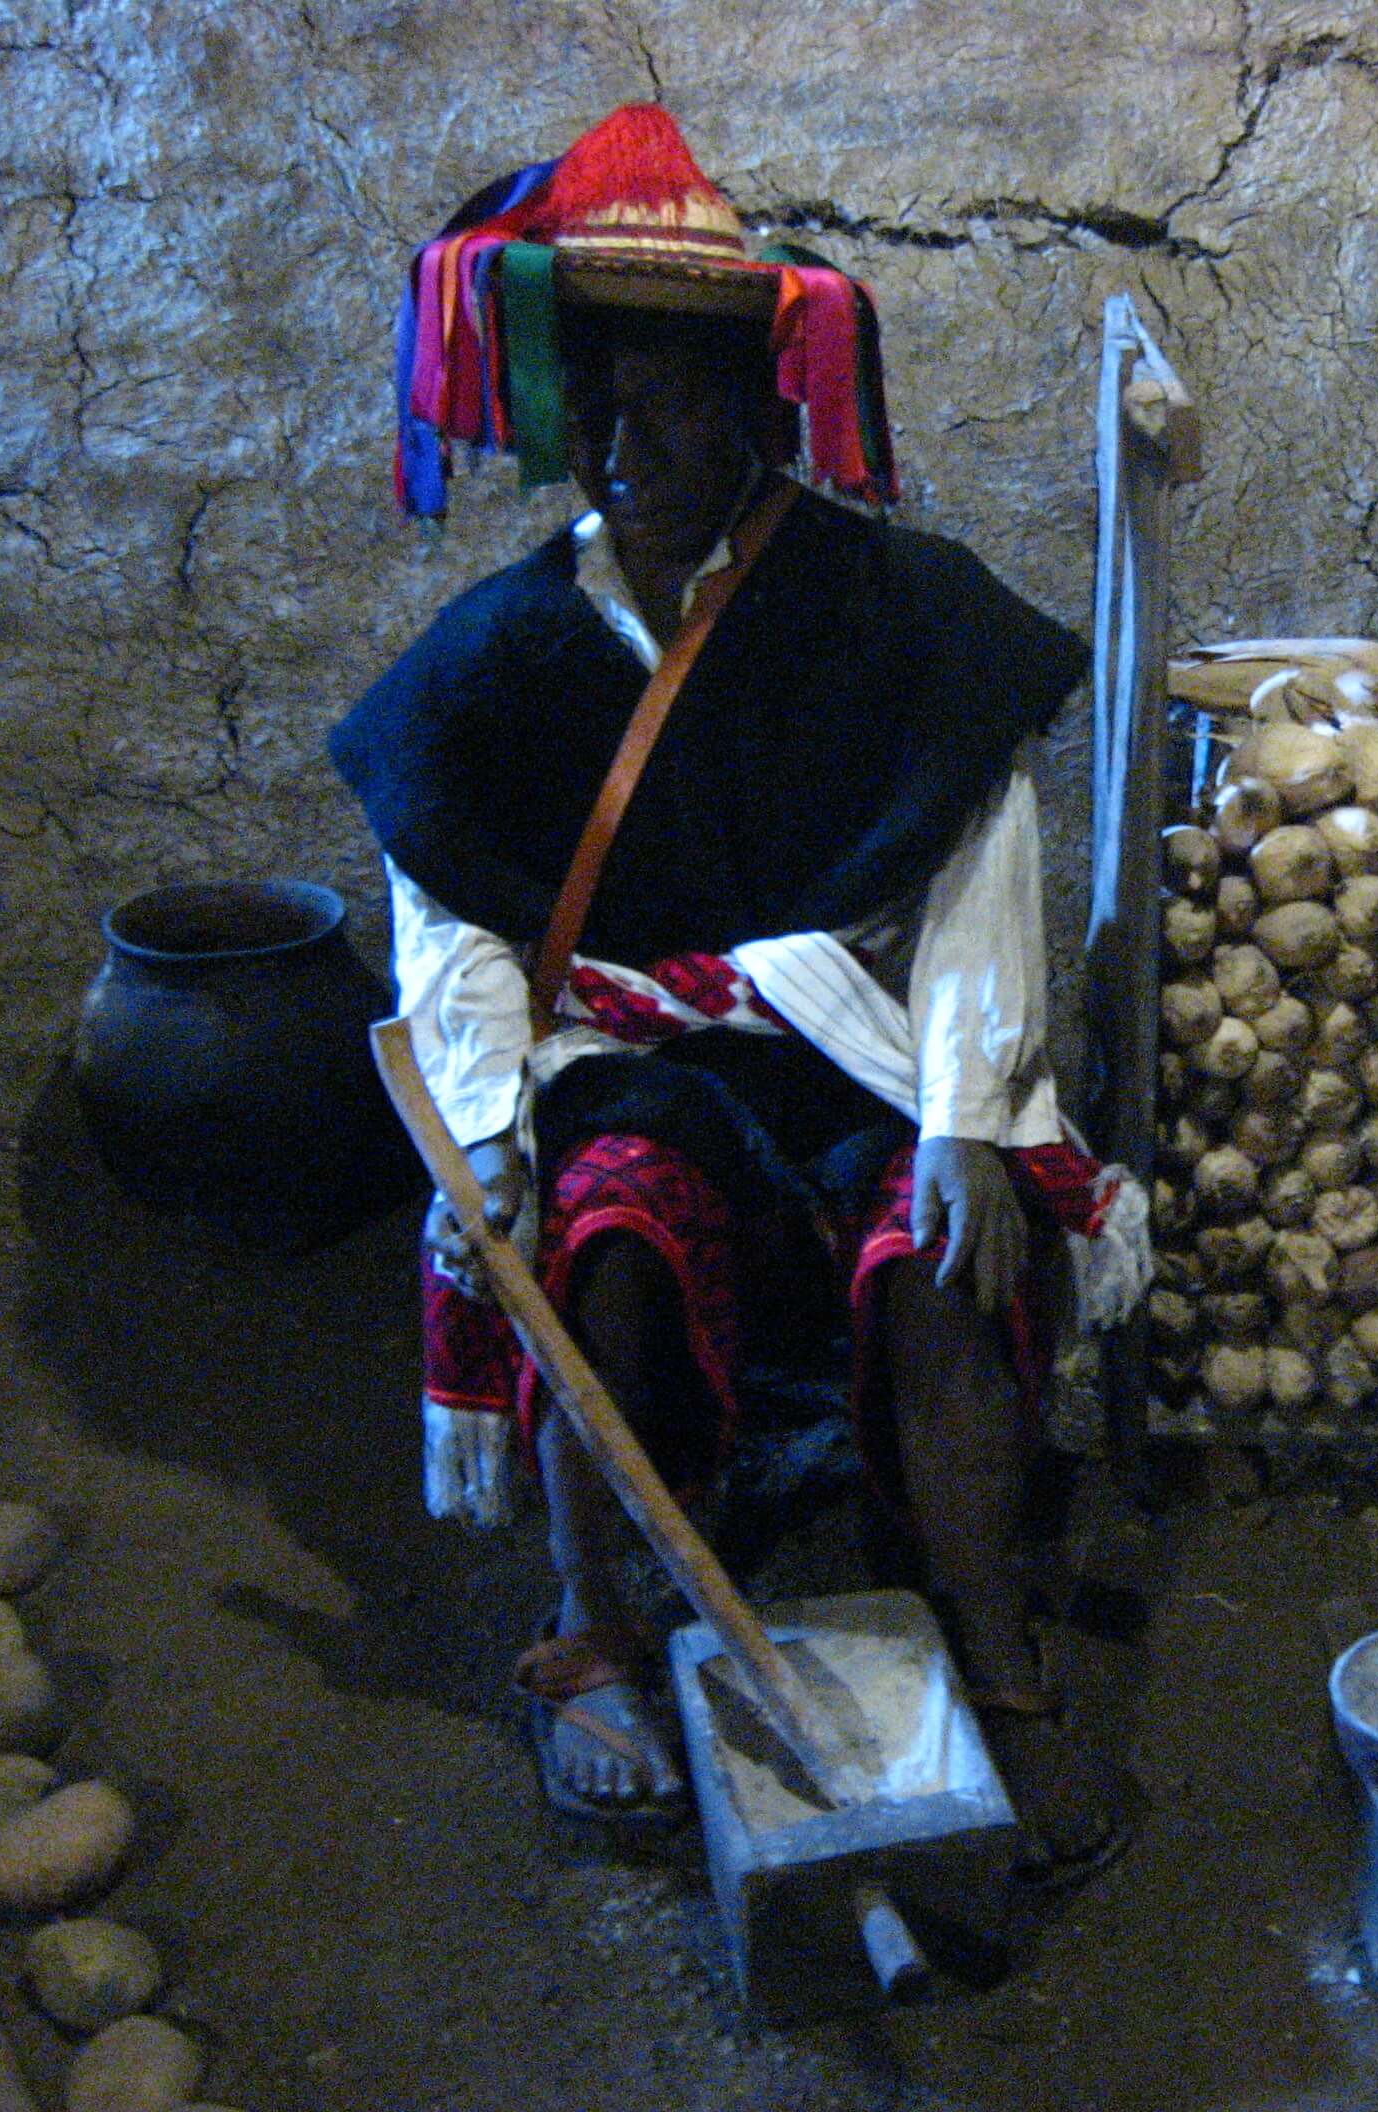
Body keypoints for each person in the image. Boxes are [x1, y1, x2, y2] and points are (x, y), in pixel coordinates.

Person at [326, 105, 1141, 1871]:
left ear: (761, 411)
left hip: (847, 1052)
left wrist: (964, 1119)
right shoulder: (508, 645)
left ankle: (995, 1659)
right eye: (604, 404)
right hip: (637, 1067)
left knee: (943, 1254)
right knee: (601, 1237)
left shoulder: (891, 609)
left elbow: (976, 860)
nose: (632, 444)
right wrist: (488, 1144)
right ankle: (600, 1628)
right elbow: (450, 919)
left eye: (676, 405)